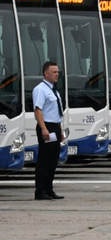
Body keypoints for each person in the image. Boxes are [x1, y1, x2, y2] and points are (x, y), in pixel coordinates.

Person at [33, 61, 65, 201]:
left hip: (55, 127)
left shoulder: (54, 91)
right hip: (46, 127)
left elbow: (56, 112)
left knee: (53, 160)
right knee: (44, 160)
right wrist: (44, 128)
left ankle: (49, 189)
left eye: (58, 72)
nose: (57, 74)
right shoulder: (41, 89)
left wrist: (60, 130)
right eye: (54, 72)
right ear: (46, 74)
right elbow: (38, 110)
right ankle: (40, 191)